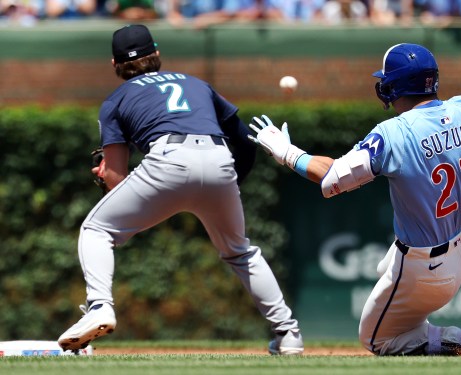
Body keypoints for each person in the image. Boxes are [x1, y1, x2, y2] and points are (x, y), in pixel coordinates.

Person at [248, 43, 461, 355]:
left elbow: (332, 179)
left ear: (394, 86)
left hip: (424, 267)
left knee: (377, 339)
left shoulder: (393, 133)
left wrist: (288, 153)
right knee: (390, 269)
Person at [57, 24, 303, 356]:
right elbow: (244, 141)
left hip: (167, 159)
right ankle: (288, 334)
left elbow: (116, 175)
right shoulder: (196, 84)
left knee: (96, 229)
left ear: (114, 65)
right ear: (156, 54)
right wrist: (229, 184)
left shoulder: (115, 99)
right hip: (219, 161)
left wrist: (105, 178)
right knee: (240, 252)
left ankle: (100, 306)